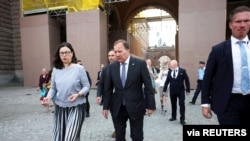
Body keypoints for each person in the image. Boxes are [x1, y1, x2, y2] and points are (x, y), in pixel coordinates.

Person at [201, 6, 250, 125]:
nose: (242, 25)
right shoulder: (218, 50)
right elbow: (207, 78)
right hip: (228, 102)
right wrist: (205, 103)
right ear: (230, 25)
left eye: (246, 21)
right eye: (238, 21)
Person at [102, 39, 156, 141]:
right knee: (119, 137)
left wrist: (150, 105)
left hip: (136, 106)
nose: (117, 54)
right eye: (115, 52)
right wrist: (105, 106)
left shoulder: (140, 64)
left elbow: (148, 86)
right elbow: (108, 89)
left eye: (120, 51)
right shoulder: (112, 67)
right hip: (117, 108)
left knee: (137, 137)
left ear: (128, 50)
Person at [41, 42, 90, 140]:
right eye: (61, 53)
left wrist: (78, 94)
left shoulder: (79, 68)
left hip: (77, 106)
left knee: (70, 137)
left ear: (72, 53)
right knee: (58, 137)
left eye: (67, 52)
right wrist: (48, 98)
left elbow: (87, 86)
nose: (64, 55)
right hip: (60, 107)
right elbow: (53, 88)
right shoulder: (55, 70)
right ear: (58, 55)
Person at [96, 49, 117, 138]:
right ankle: (118, 129)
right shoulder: (105, 69)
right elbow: (101, 83)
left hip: (122, 96)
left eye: (112, 55)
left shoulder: (122, 67)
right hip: (110, 97)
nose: (110, 57)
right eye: (109, 56)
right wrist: (98, 95)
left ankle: (119, 128)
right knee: (114, 114)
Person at [163, 59, 190, 125]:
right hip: (172, 91)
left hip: (181, 91)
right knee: (173, 104)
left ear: (175, 64)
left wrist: (188, 90)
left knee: (181, 104)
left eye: (171, 64)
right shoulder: (169, 72)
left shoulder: (182, 71)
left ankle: (182, 119)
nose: (170, 65)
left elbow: (187, 80)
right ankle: (174, 116)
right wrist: (164, 90)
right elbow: (167, 81)